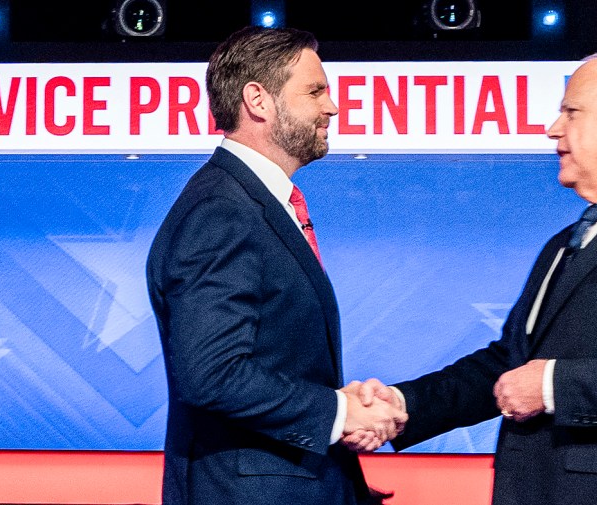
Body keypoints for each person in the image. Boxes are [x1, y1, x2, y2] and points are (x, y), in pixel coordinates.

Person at [350, 52, 597, 505]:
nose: (553, 128)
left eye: (570, 111)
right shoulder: (566, 241)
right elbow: (510, 365)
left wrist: (553, 386)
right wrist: (403, 405)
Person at [146, 26, 406, 505]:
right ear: (258, 100)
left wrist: (340, 408)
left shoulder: (252, 202)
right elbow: (211, 374)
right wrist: (337, 412)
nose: (331, 107)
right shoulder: (222, 212)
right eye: (315, 91)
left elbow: (271, 359)